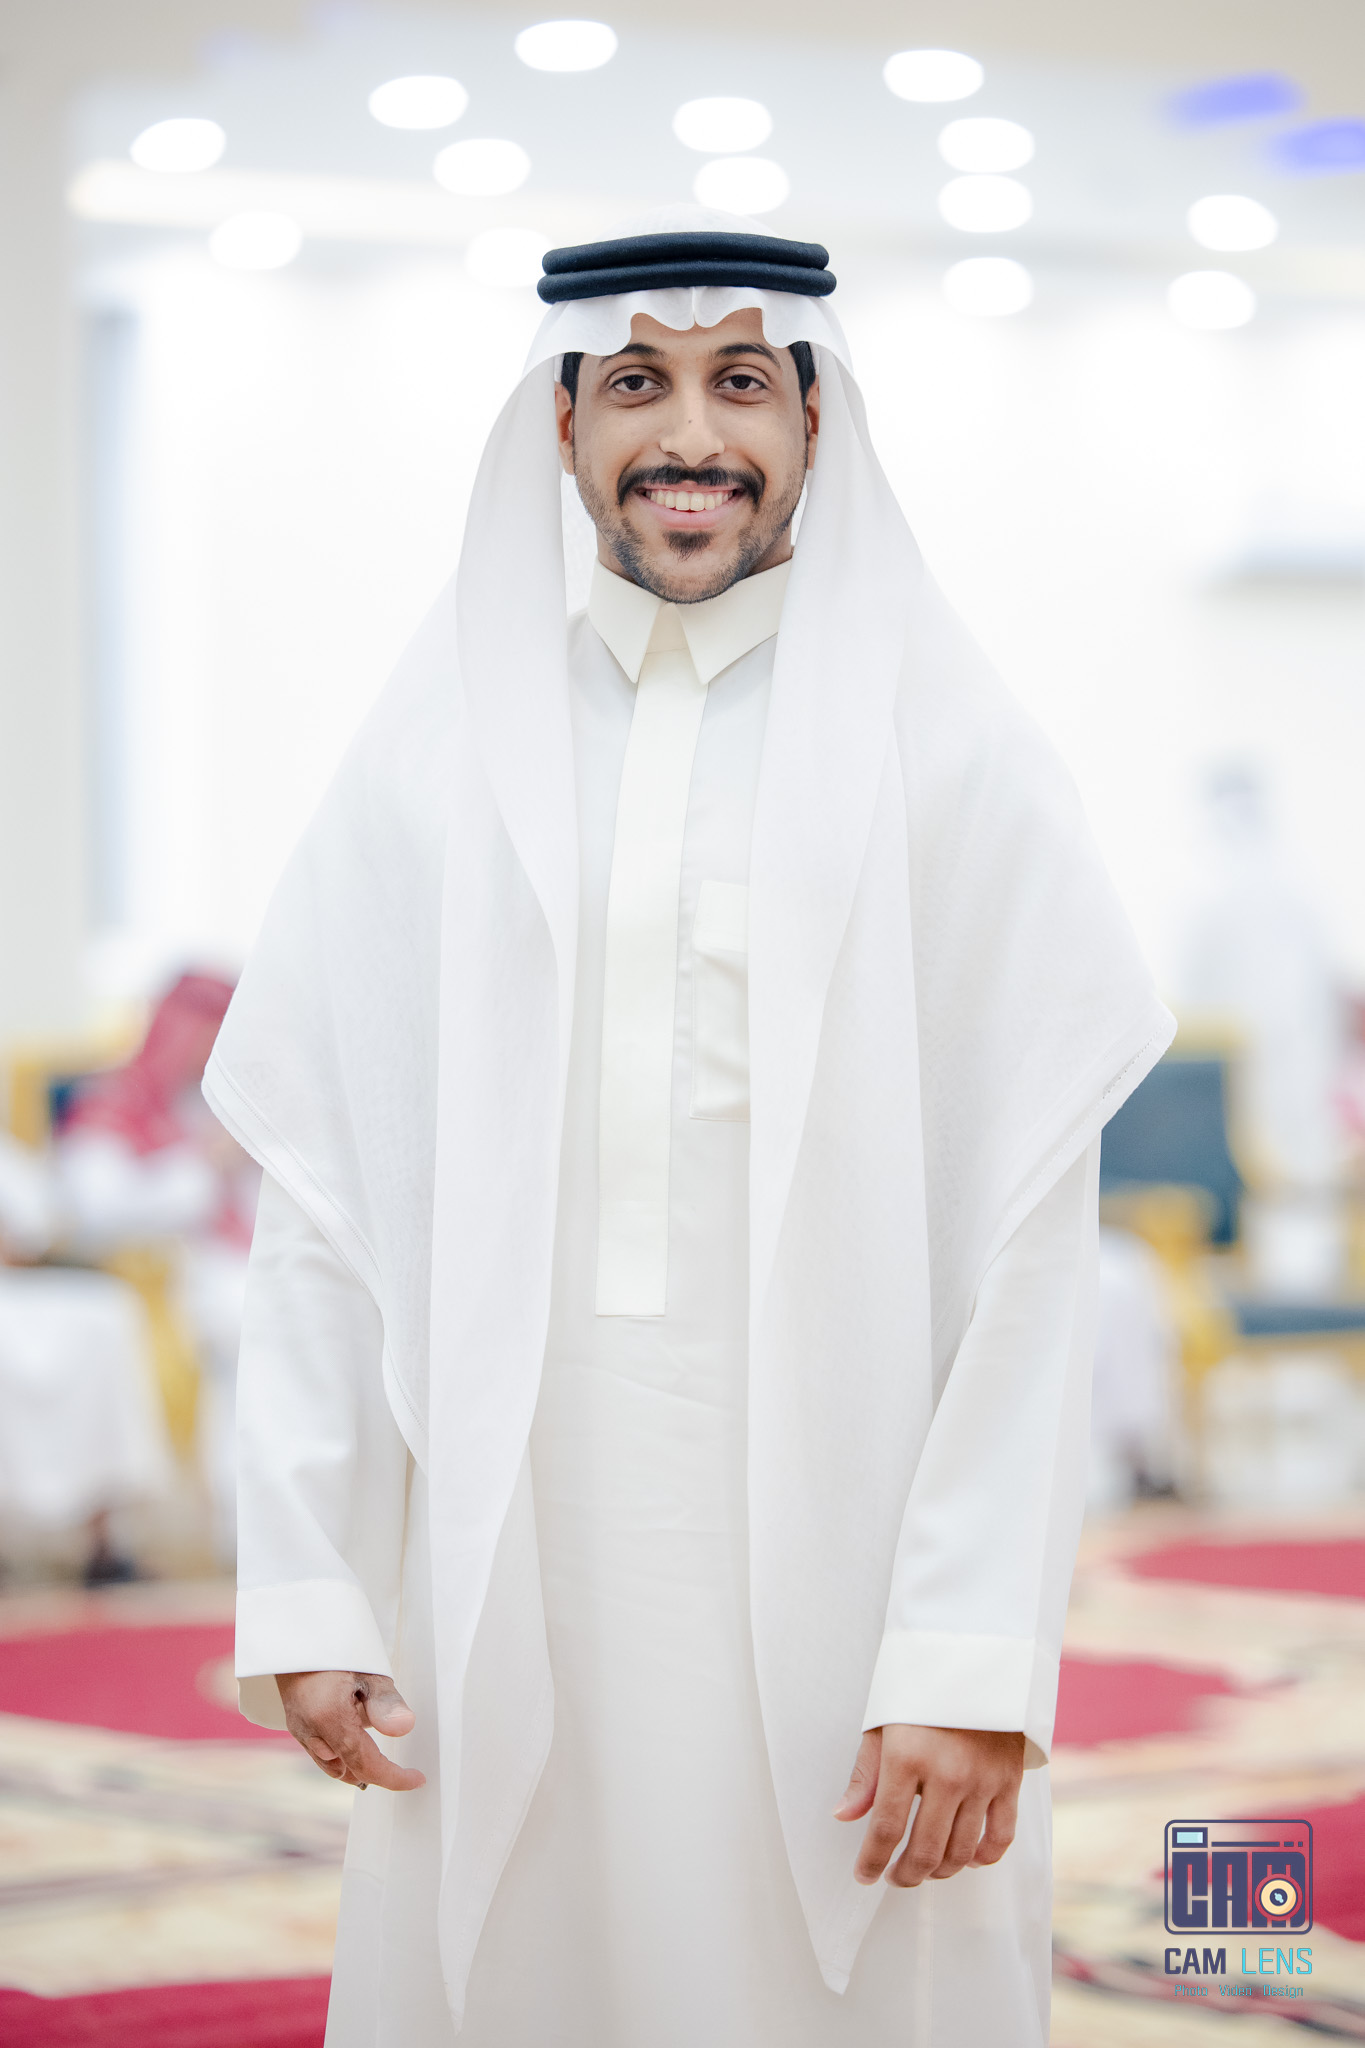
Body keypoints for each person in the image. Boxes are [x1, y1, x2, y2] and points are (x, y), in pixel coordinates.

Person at [210, 210, 1173, 2047]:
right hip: (510, 1568)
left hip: (851, 1579)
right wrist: (315, 1573)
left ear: (814, 421)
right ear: (562, 422)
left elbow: (1032, 1249)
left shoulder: (951, 759)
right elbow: (329, 1197)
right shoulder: (432, 764)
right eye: (637, 384)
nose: (690, 434)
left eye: (740, 382)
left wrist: (969, 1649)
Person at [59, 970, 258, 1550]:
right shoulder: (112, 1104)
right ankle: (233, 1531)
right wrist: (205, 1167)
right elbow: (95, 1211)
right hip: (166, 1277)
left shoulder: (227, 1103)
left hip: (238, 1264)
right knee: (248, 1321)